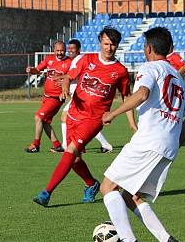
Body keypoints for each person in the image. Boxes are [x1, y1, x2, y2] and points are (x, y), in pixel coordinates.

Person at [98, 27, 185, 242]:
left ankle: (128, 241)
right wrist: (175, 143)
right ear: (170, 50)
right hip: (167, 147)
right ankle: (166, 241)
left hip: (148, 141)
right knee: (132, 196)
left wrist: (113, 113)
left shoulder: (150, 68)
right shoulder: (177, 77)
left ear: (148, 49)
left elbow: (142, 94)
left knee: (108, 187)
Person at [32, 27, 137, 207]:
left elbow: (126, 97)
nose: (109, 48)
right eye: (106, 43)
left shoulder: (120, 71)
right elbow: (68, 77)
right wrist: (65, 87)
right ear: (100, 42)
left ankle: (46, 192)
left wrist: (132, 124)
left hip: (94, 119)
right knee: (75, 158)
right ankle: (91, 183)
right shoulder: (86, 59)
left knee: (70, 151)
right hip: (74, 113)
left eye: (113, 44)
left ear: (117, 46)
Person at [57, 39, 114, 154]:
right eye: (69, 48)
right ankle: (103, 144)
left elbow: (72, 75)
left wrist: (62, 79)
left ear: (79, 49)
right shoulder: (74, 60)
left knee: (71, 119)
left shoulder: (79, 59)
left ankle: (66, 145)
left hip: (81, 96)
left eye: (73, 48)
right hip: (77, 96)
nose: (70, 50)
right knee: (80, 122)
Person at [24, 41, 71, 153]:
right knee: (44, 121)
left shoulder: (69, 62)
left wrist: (65, 89)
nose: (59, 53)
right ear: (54, 50)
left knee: (38, 117)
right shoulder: (49, 59)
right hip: (46, 97)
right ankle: (57, 145)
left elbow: (72, 77)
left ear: (65, 50)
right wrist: (31, 70)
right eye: (57, 50)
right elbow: (37, 70)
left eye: (62, 50)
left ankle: (36, 144)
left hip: (56, 98)